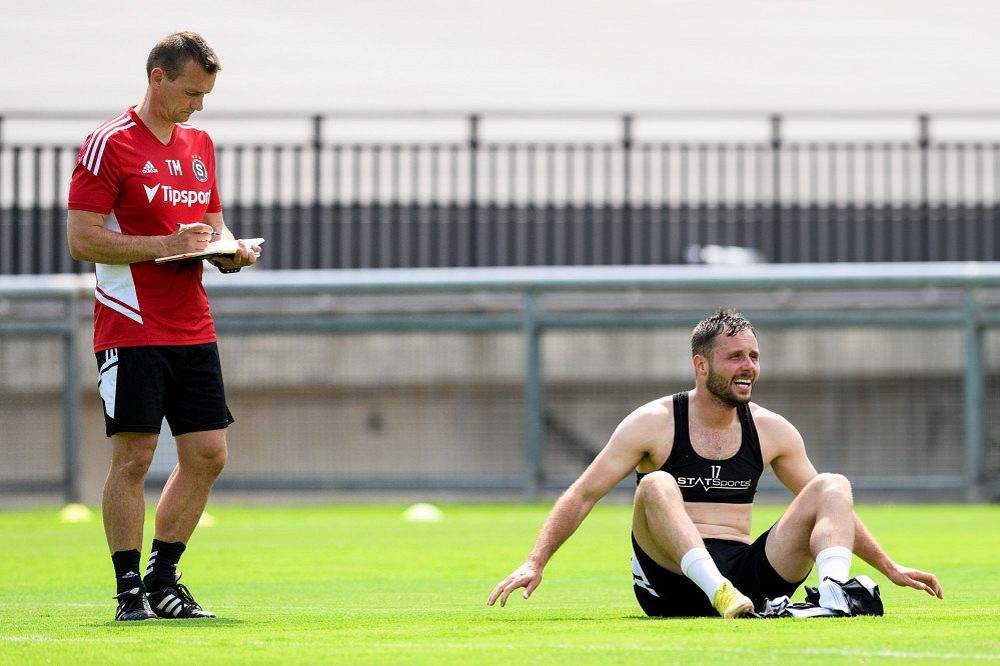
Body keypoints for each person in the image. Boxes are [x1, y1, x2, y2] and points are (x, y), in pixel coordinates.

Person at [488, 309, 942, 618]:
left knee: (832, 485)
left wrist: (889, 567)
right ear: (701, 365)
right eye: (735, 357)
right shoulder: (653, 422)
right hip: (672, 584)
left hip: (748, 579)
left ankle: (834, 596)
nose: (748, 367)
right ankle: (717, 590)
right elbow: (583, 494)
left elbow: (833, 511)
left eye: (754, 356)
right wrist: (534, 561)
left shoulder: (772, 429)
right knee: (656, 484)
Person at [67, 31, 261, 621]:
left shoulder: (200, 144)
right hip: (131, 323)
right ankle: (128, 592)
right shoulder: (108, 144)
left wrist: (230, 252)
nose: (198, 105)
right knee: (134, 456)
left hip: (192, 323)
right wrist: (165, 244)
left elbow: (212, 226)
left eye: (205, 95)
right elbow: (82, 239)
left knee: (208, 453)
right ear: (158, 78)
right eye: (191, 92)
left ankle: (163, 580)